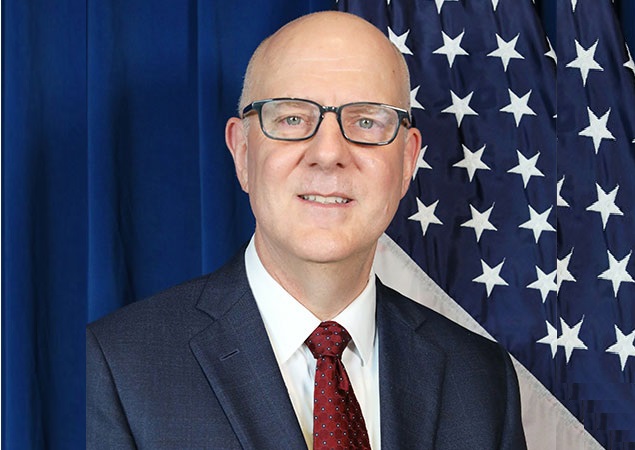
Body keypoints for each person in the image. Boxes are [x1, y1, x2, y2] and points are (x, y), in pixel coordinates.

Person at [87, 11, 527, 450]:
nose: (329, 153)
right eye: (293, 119)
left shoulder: (482, 379)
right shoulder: (118, 368)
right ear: (242, 152)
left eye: (366, 122)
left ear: (408, 160)